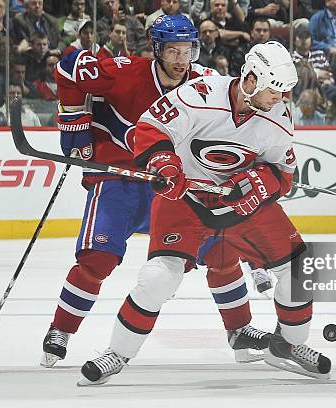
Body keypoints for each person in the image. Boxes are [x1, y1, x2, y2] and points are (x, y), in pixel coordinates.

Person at [77, 41, 331, 386]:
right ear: (252, 79)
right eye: (275, 90)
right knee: (158, 278)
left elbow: (283, 176)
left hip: (241, 204)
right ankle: (117, 353)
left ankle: (286, 346)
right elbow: (151, 128)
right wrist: (164, 162)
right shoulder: (201, 94)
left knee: (300, 267)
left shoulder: (279, 119)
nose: (280, 99)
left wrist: (258, 184)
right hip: (185, 197)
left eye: (285, 92)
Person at [42, 15, 273, 368]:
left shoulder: (204, 84)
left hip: (172, 185)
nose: (182, 60)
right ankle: (61, 330)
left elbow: (231, 120)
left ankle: (240, 330)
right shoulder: (126, 72)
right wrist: (74, 123)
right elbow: (69, 69)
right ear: (157, 50)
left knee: (221, 250)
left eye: (188, 51)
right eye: (173, 51)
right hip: (119, 180)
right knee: (97, 259)